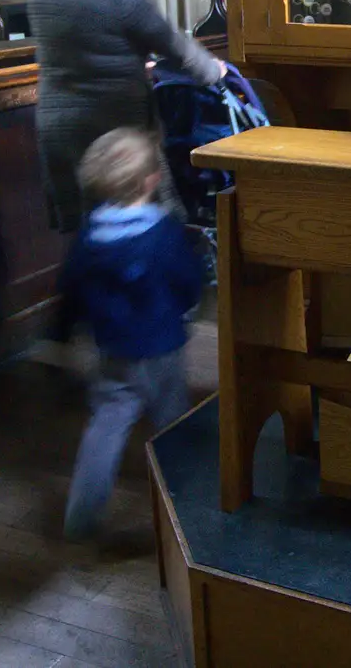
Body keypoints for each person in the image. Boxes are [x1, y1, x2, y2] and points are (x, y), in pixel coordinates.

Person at [29, 0, 225, 233]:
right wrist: (214, 70)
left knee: (85, 230)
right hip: (113, 130)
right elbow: (176, 47)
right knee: (139, 226)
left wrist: (131, 63)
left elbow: (83, 48)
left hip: (58, 125)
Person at [61, 128, 204, 540]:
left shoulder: (88, 237)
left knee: (105, 428)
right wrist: (186, 309)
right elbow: (188, 281)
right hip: (162, 348)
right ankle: (188, 513)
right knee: (172, 426)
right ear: (152, 180)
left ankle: (81, 518)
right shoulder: (164, 233)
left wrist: (65, 332)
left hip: (113, 350)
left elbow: (69, 290)